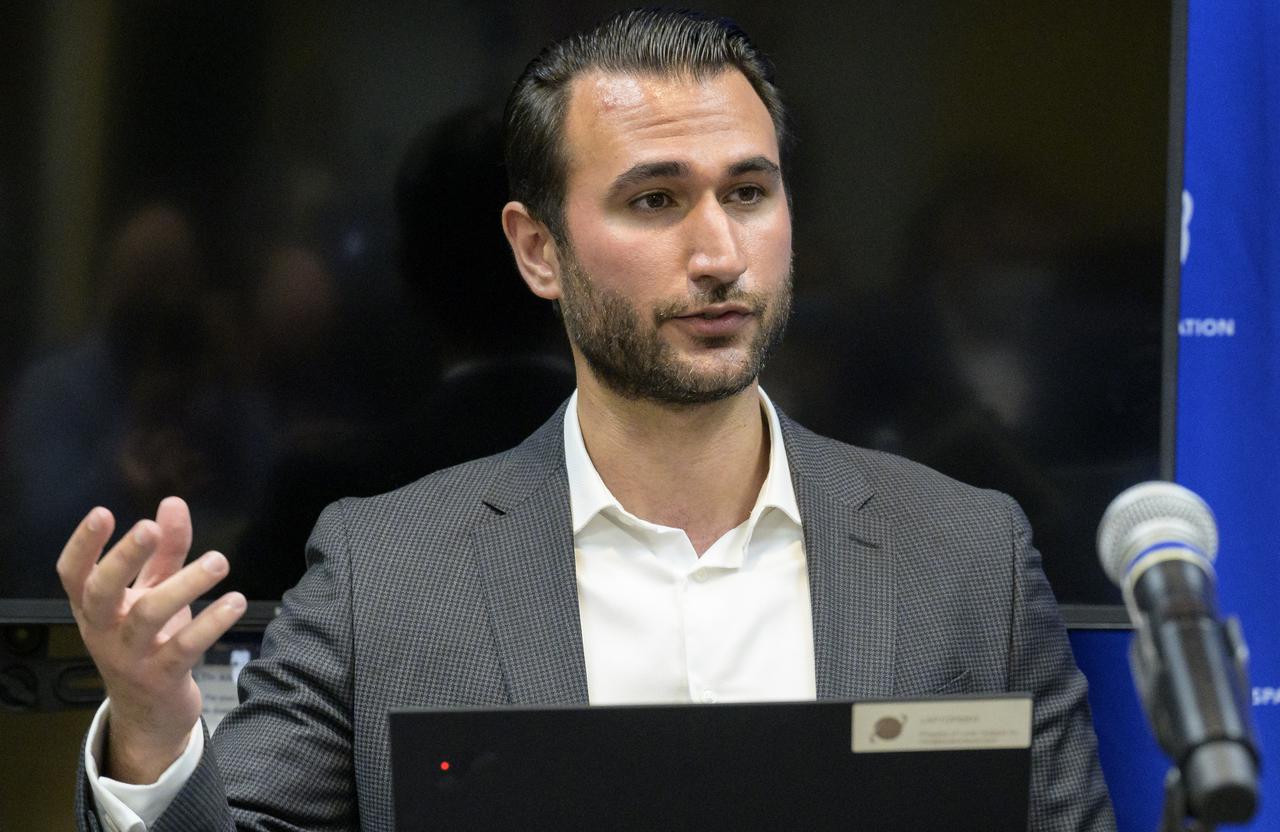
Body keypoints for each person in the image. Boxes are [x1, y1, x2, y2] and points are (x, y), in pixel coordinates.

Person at [60, 9, 1116, 831]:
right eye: (654, 200)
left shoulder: (966, 554)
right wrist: (154, 732)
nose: (717, 252)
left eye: (747, 192)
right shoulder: (385, 571)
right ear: (536, 251)